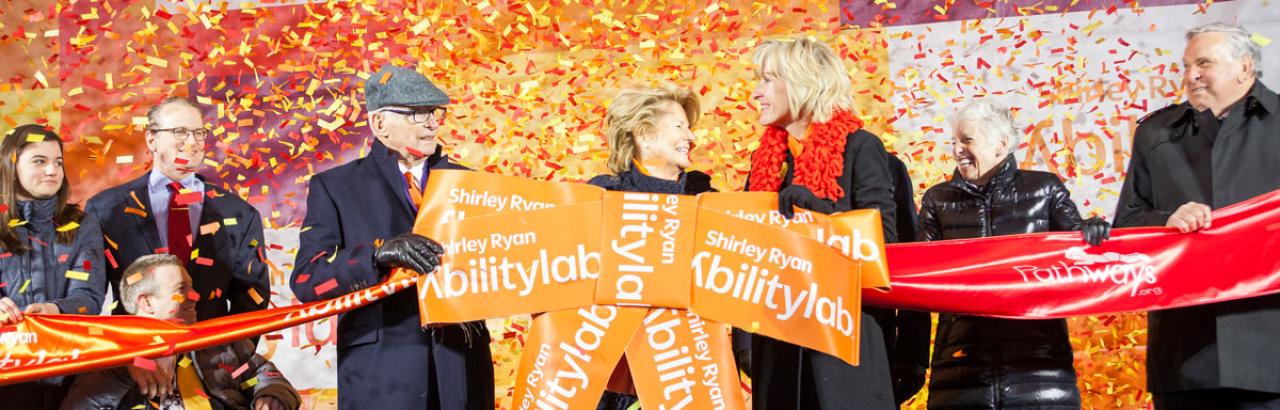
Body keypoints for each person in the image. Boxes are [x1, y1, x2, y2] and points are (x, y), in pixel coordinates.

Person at [290, 65, 493, 409]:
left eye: (434, 112)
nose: (432, 122)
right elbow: (307, 280)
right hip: (382, 376)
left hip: (461, 367)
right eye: (417, 114)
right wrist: (377, 255)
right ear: (379, 124)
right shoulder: (336, 187)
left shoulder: (471, 184)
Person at [1115, 22, 1280, 409]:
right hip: (1184, 355)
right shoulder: (1156, 133)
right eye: (1187, 65)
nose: (1191, 76)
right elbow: (1125, 224)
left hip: (1270, 350)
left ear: (1244, 67)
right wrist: (1166, 220)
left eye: (1203, 63)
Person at [918, 99, 1109, 409]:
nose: (956, 150)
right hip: (960, 372)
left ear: (1001, 144)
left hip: (1040, 372)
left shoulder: (1045, 189)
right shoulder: (937, 200)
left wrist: (1093, 233)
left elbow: (1081, 252)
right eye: (954, 142)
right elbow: (917, 270)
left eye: (967, 140)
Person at [743, 37, 899, 409]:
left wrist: (821, 219)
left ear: (801, 81)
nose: (755, 93)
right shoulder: (765, 161)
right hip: (778, 348)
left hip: (843, 351)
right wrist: (744, 345)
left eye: (767, 80)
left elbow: (886, 247)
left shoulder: (861, 148)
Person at [586, 85, 715, 409]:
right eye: (679, 126)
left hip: (685, 370)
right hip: (616, 375)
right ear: (643, 135)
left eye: (689, 127)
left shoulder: (706, 197)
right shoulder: (603, 197)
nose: (691, 137)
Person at [86, 97, 269, 323]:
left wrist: (230, 353)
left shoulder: (239, 213)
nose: (191, 142)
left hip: (211, 352)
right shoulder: (106, 208)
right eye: (180, 132)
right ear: (152, 139)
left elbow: (252, 296)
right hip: (137, 352)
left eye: (198, 133)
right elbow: (88, 290)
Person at [62, 254, 300, 410]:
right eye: (180, 290)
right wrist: (123, 371)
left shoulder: (222, 342)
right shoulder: (111, 355)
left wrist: (272, 395)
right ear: (147, 303)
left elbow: (263, 375)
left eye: (192, 288)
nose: (195, 298)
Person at [0, 124, 106, 408]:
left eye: (58, 162)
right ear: (11, 165)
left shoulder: (81, 224)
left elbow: (90, 298)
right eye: (40, 161)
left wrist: (55, 310)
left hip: (69, 375)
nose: (52, 171)